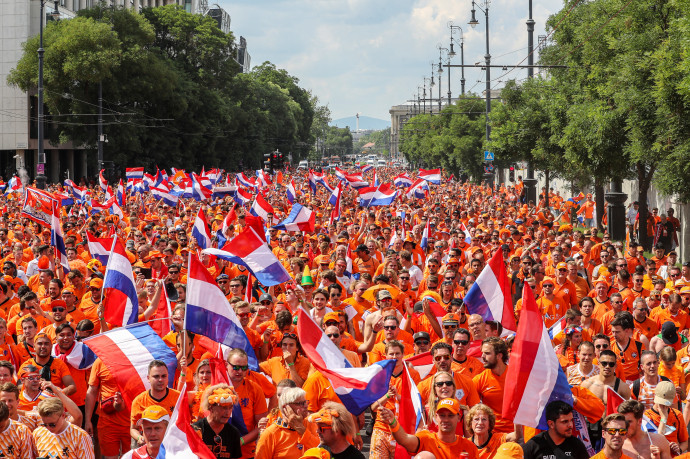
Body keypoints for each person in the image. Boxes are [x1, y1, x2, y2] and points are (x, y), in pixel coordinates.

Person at [379, 397, 479, 459]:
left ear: (459, 417)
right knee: (424, 457)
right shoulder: (426, 438)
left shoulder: (469, 446)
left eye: (451, 415)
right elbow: (404, 439)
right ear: (436, 417)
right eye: (442, 415)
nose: (446, 420)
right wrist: (392, 422)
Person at [255, 387, 319, 459]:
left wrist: (301, 429)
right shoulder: (270, 433)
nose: (306, 406)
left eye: (306, 402)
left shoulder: (312, 424)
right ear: (285, 407)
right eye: (300, 403)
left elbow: (321, 451)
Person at [130, 360, 180, 446]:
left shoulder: (179, 398)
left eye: (164, 376)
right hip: (149, 444)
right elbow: (133, 429)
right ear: (148, 378)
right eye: (156, 376)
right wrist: (139, 437)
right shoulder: (139, 401)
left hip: (172, 444)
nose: (160, 380)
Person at [522, 401, 589, 459]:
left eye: (571, 420)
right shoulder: (533, 446)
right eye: (565, 422)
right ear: (551, 424)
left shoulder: (576, 444)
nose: (570, 425)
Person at [473, 337, 512, 433]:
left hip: (518, 432)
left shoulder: (517, 376)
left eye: (487, 353)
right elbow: (472, 410)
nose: (482, 356)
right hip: (492, 433)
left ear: (499, 356)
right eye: (482, 353)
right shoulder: (479, 380)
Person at [192, 384, 243, 459]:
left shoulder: (233, 433)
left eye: (230, 408)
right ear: (211, 407)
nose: (227, 412)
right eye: (224, 407)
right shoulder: (195, 430)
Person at [643, 381, 687, 455]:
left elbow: (685, 442)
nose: (663, 405)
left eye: (666, 402)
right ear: (655, 396)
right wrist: (664, 418)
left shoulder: (677, 415)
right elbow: (656, 442)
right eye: (661, 402)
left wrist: (679, 449)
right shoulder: (646, 417)